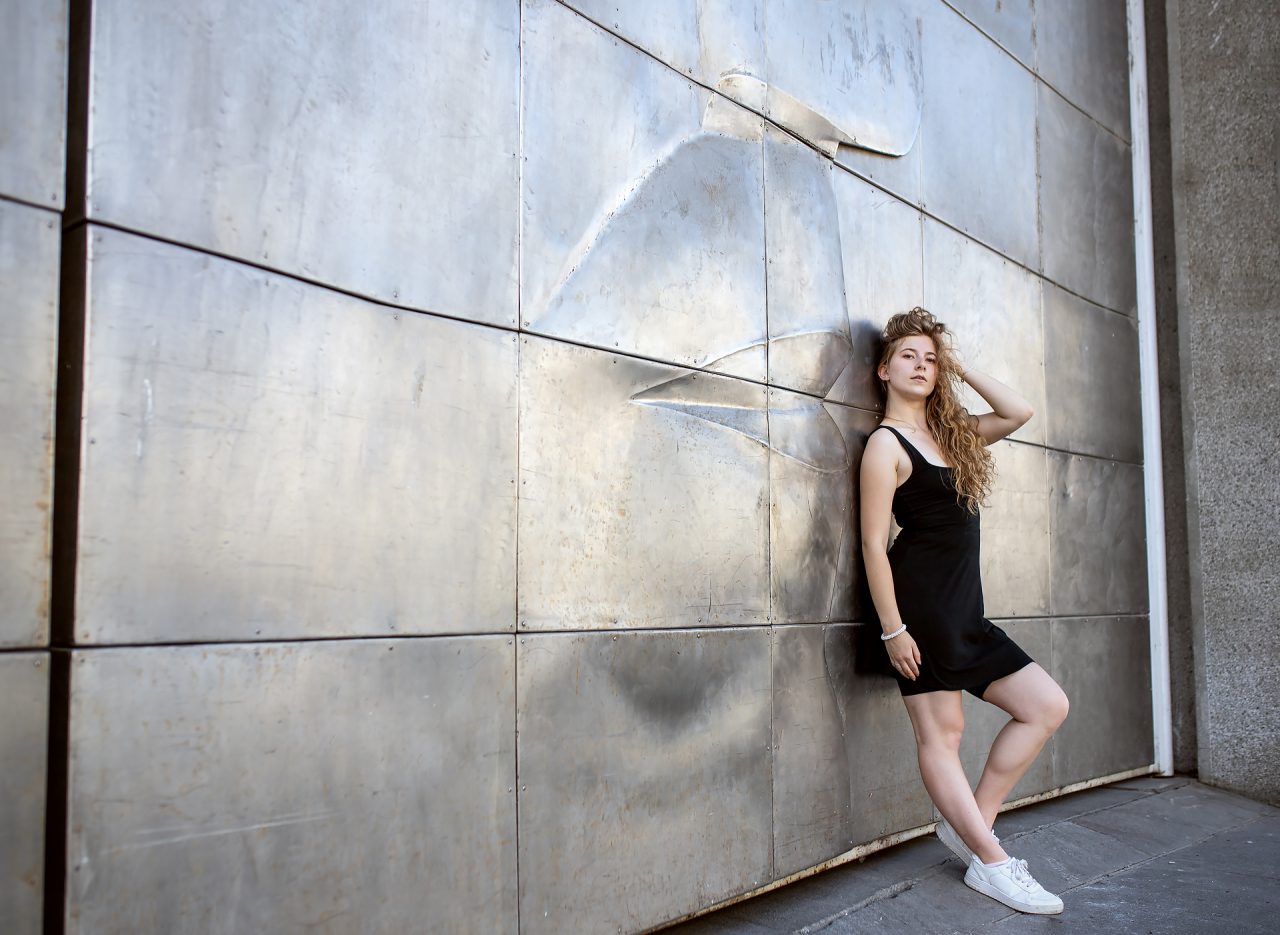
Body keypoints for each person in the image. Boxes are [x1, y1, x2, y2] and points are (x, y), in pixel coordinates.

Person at [859, 308, 1070, 915]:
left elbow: (1017, 411)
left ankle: (974, 827)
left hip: (965, 611)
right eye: (908, 356)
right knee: (942, 734)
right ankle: (994, 864)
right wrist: (893, 629)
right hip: (919, 609)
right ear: (883, 369)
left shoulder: (951, 437)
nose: (921, 366)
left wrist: (958, 365)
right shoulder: (885, 444)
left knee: (1046, 705)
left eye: (930, 359)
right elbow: (873, 543)